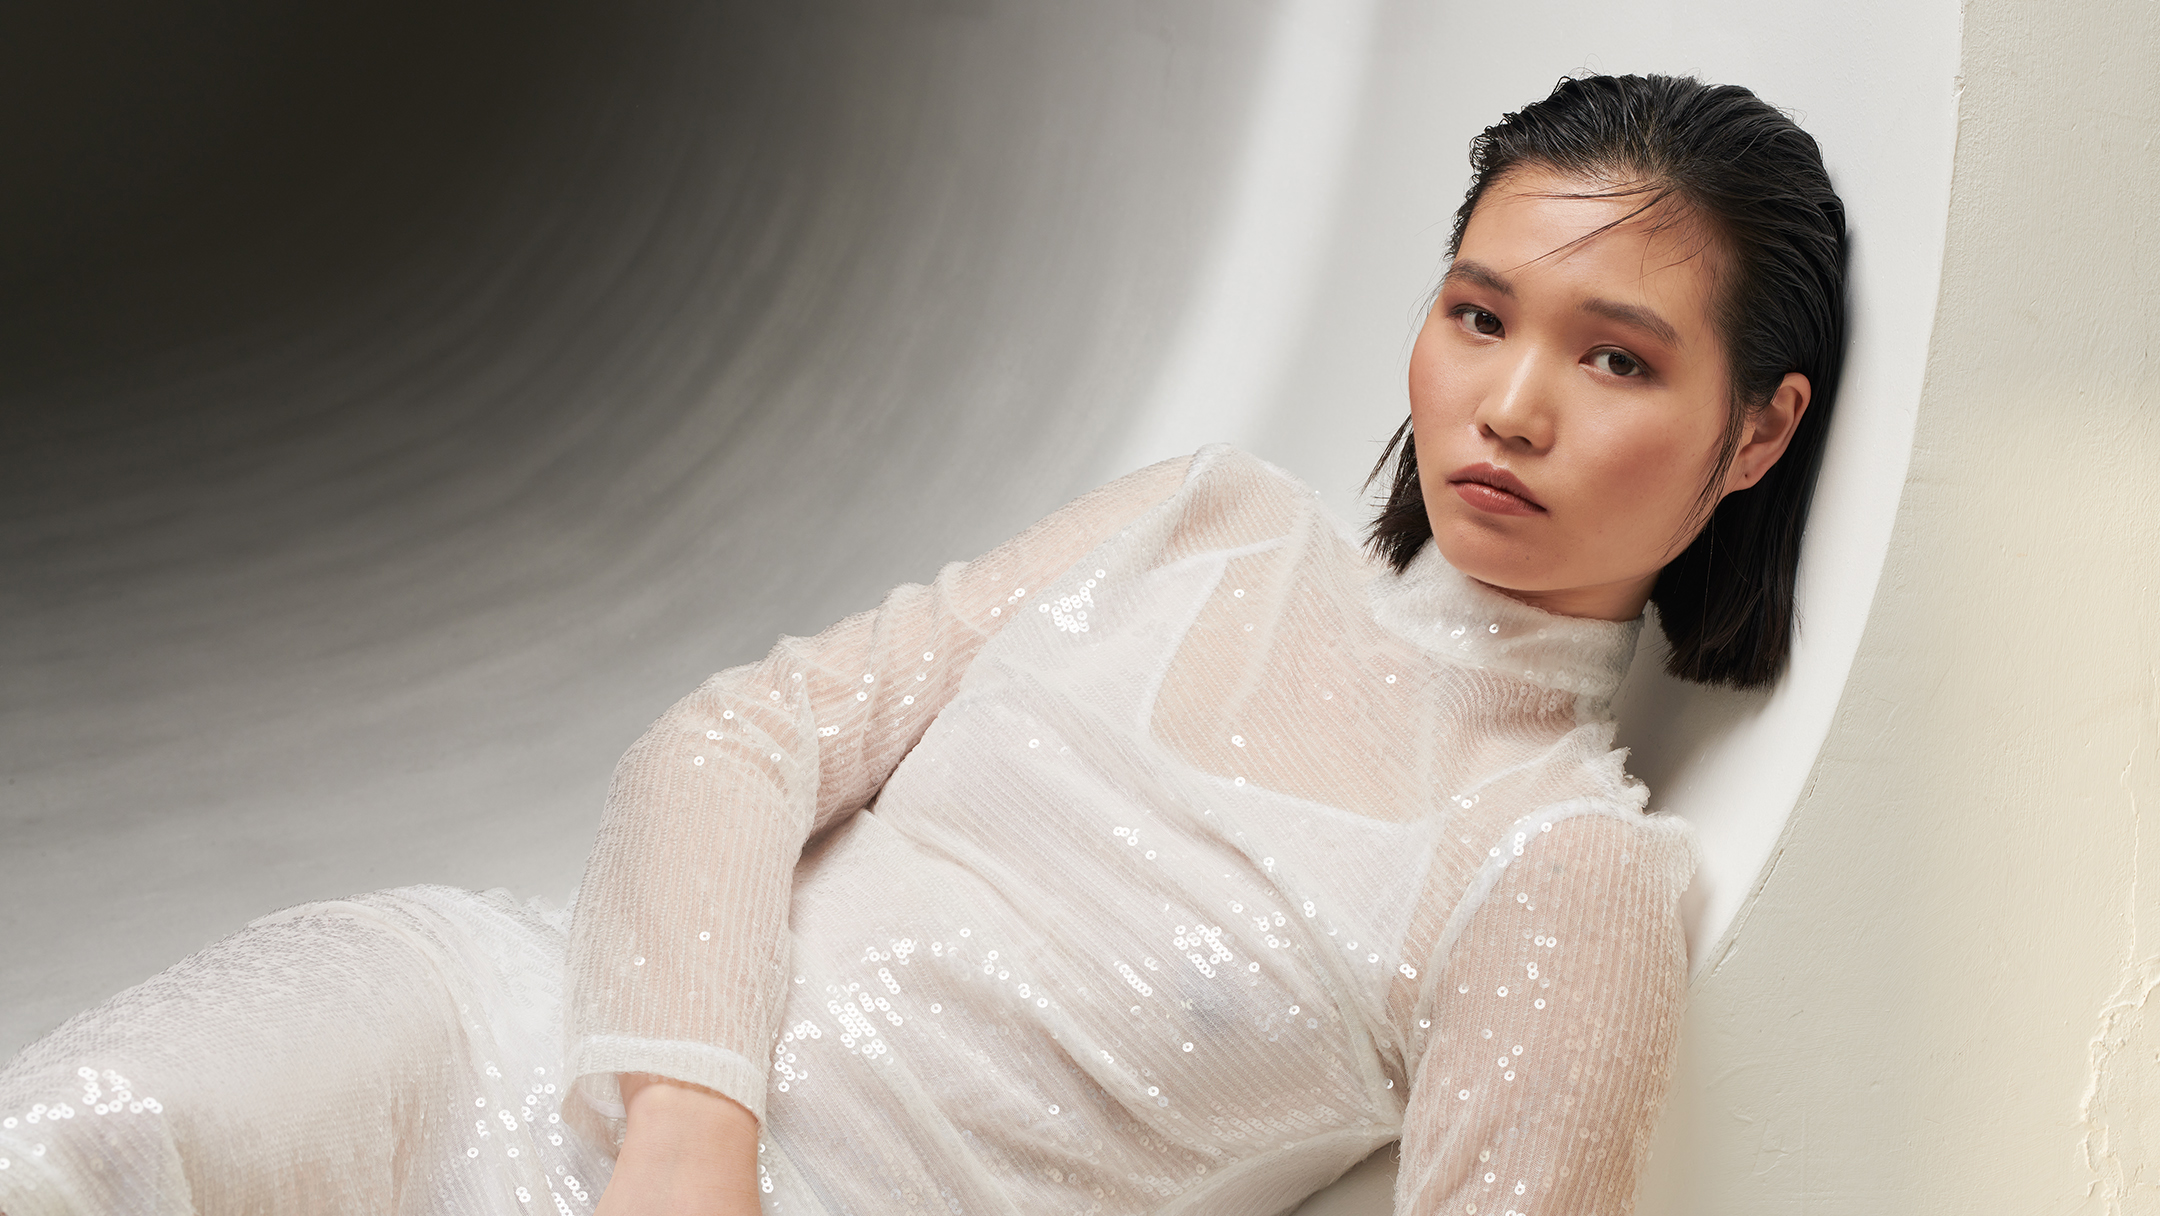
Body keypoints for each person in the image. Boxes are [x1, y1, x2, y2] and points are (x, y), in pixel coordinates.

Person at [0, 73, 1845, 1216]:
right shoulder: (1202, 523)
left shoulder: (1556, 870)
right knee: (79, 1142)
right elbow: (739, 741)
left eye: (1616, 358)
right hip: (550, 1045)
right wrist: (689, 1139)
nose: (1510, 406)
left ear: (1758, 433)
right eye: (1479, 316)